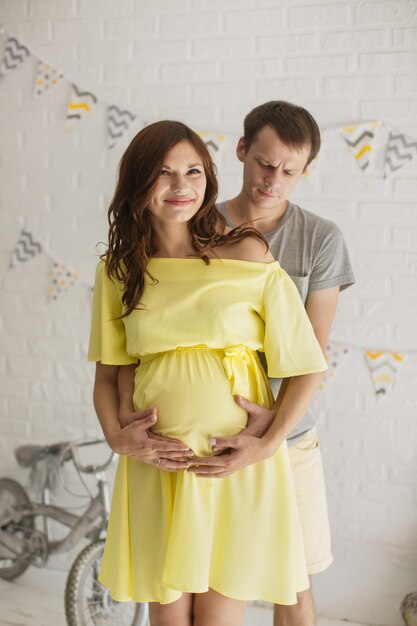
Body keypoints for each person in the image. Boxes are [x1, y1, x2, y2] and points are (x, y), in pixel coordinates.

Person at [88, 119, 328, 626]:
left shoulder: (246, 253)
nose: (181, 187)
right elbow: (110, 375)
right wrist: (117, 438)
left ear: (209, 178)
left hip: (230, 465)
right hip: (159, 466)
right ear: (138, 184)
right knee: (169, 619)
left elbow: (306, 366)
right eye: (164, 173)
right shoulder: (118, 270)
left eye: (193, 172)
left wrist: (268, 442)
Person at [205, 100, 354, 626]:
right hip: (210, 434)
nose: (274, 181)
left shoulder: (320, 239)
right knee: (216, 583)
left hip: (290, 438)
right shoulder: (196, 226)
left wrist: (273, 429)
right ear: (242, 150)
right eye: (265, 164)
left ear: (305, 170)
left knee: (293, 587)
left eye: (290, 171)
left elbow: (312, 352)